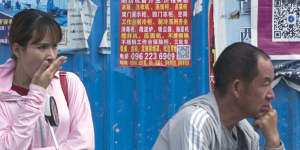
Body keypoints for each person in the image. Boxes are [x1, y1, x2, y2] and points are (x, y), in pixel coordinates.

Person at [152, 42, 286, 150]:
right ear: (237, 87)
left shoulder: (247, 135)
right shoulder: (195, 122)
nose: (271, 95)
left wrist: (273, 142)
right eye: (264, 84)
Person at [0, 9, 94, 149]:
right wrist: (36, 93)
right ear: (17, 49)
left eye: (55, 46)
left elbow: (84, 145)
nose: (51, 55)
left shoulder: (68, 84)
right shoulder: (3, 96)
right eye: (42, 47)